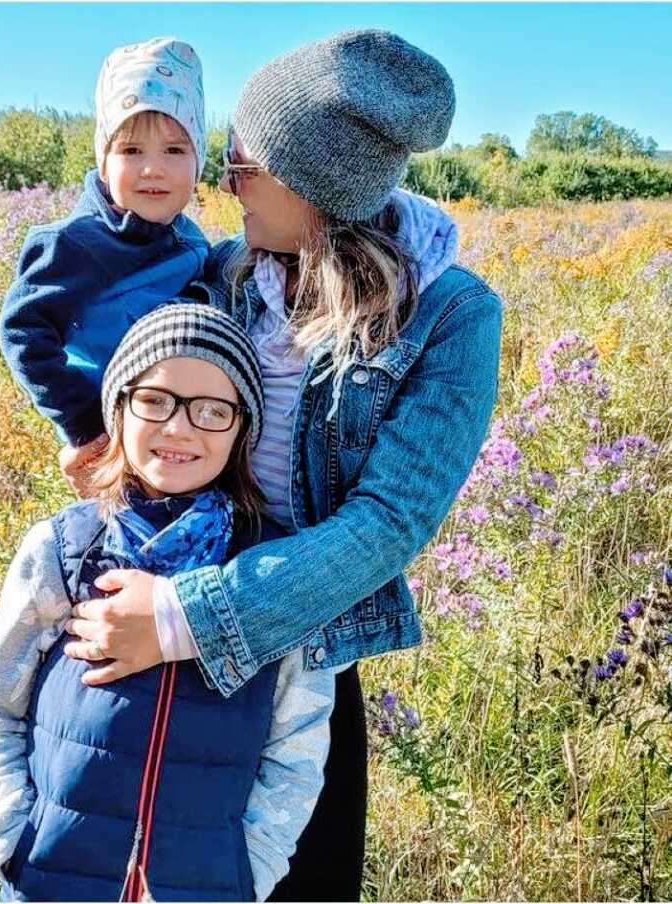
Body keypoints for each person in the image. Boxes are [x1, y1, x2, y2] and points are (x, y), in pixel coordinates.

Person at [59, 29, 504, 902]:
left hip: (301, 653)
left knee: (293, 875)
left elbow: (388, 525)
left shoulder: (451, 314)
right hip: (152, 606)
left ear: (315, 179)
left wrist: (186, 616)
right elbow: (94, 289)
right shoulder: (221, 275)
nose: (225, 186)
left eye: (243, 164)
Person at [0, 304, 337, 902]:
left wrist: (254, 865)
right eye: (155, 400)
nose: (180, 429)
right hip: (52, 879)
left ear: (244, 428)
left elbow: (299, 739)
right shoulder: (66, 549)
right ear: (118, 406)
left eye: (213, 410)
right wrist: (12, 838)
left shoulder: (273, 572)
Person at [0, 36, 209, 466]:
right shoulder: (73, 244)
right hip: (112, 447)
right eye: (131, 150)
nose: (153, 168)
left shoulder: (194, 244)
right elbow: (23, 331)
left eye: (174, 149)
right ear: (104, 159)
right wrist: (87, 426)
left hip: (182, 441)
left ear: (198, 160)